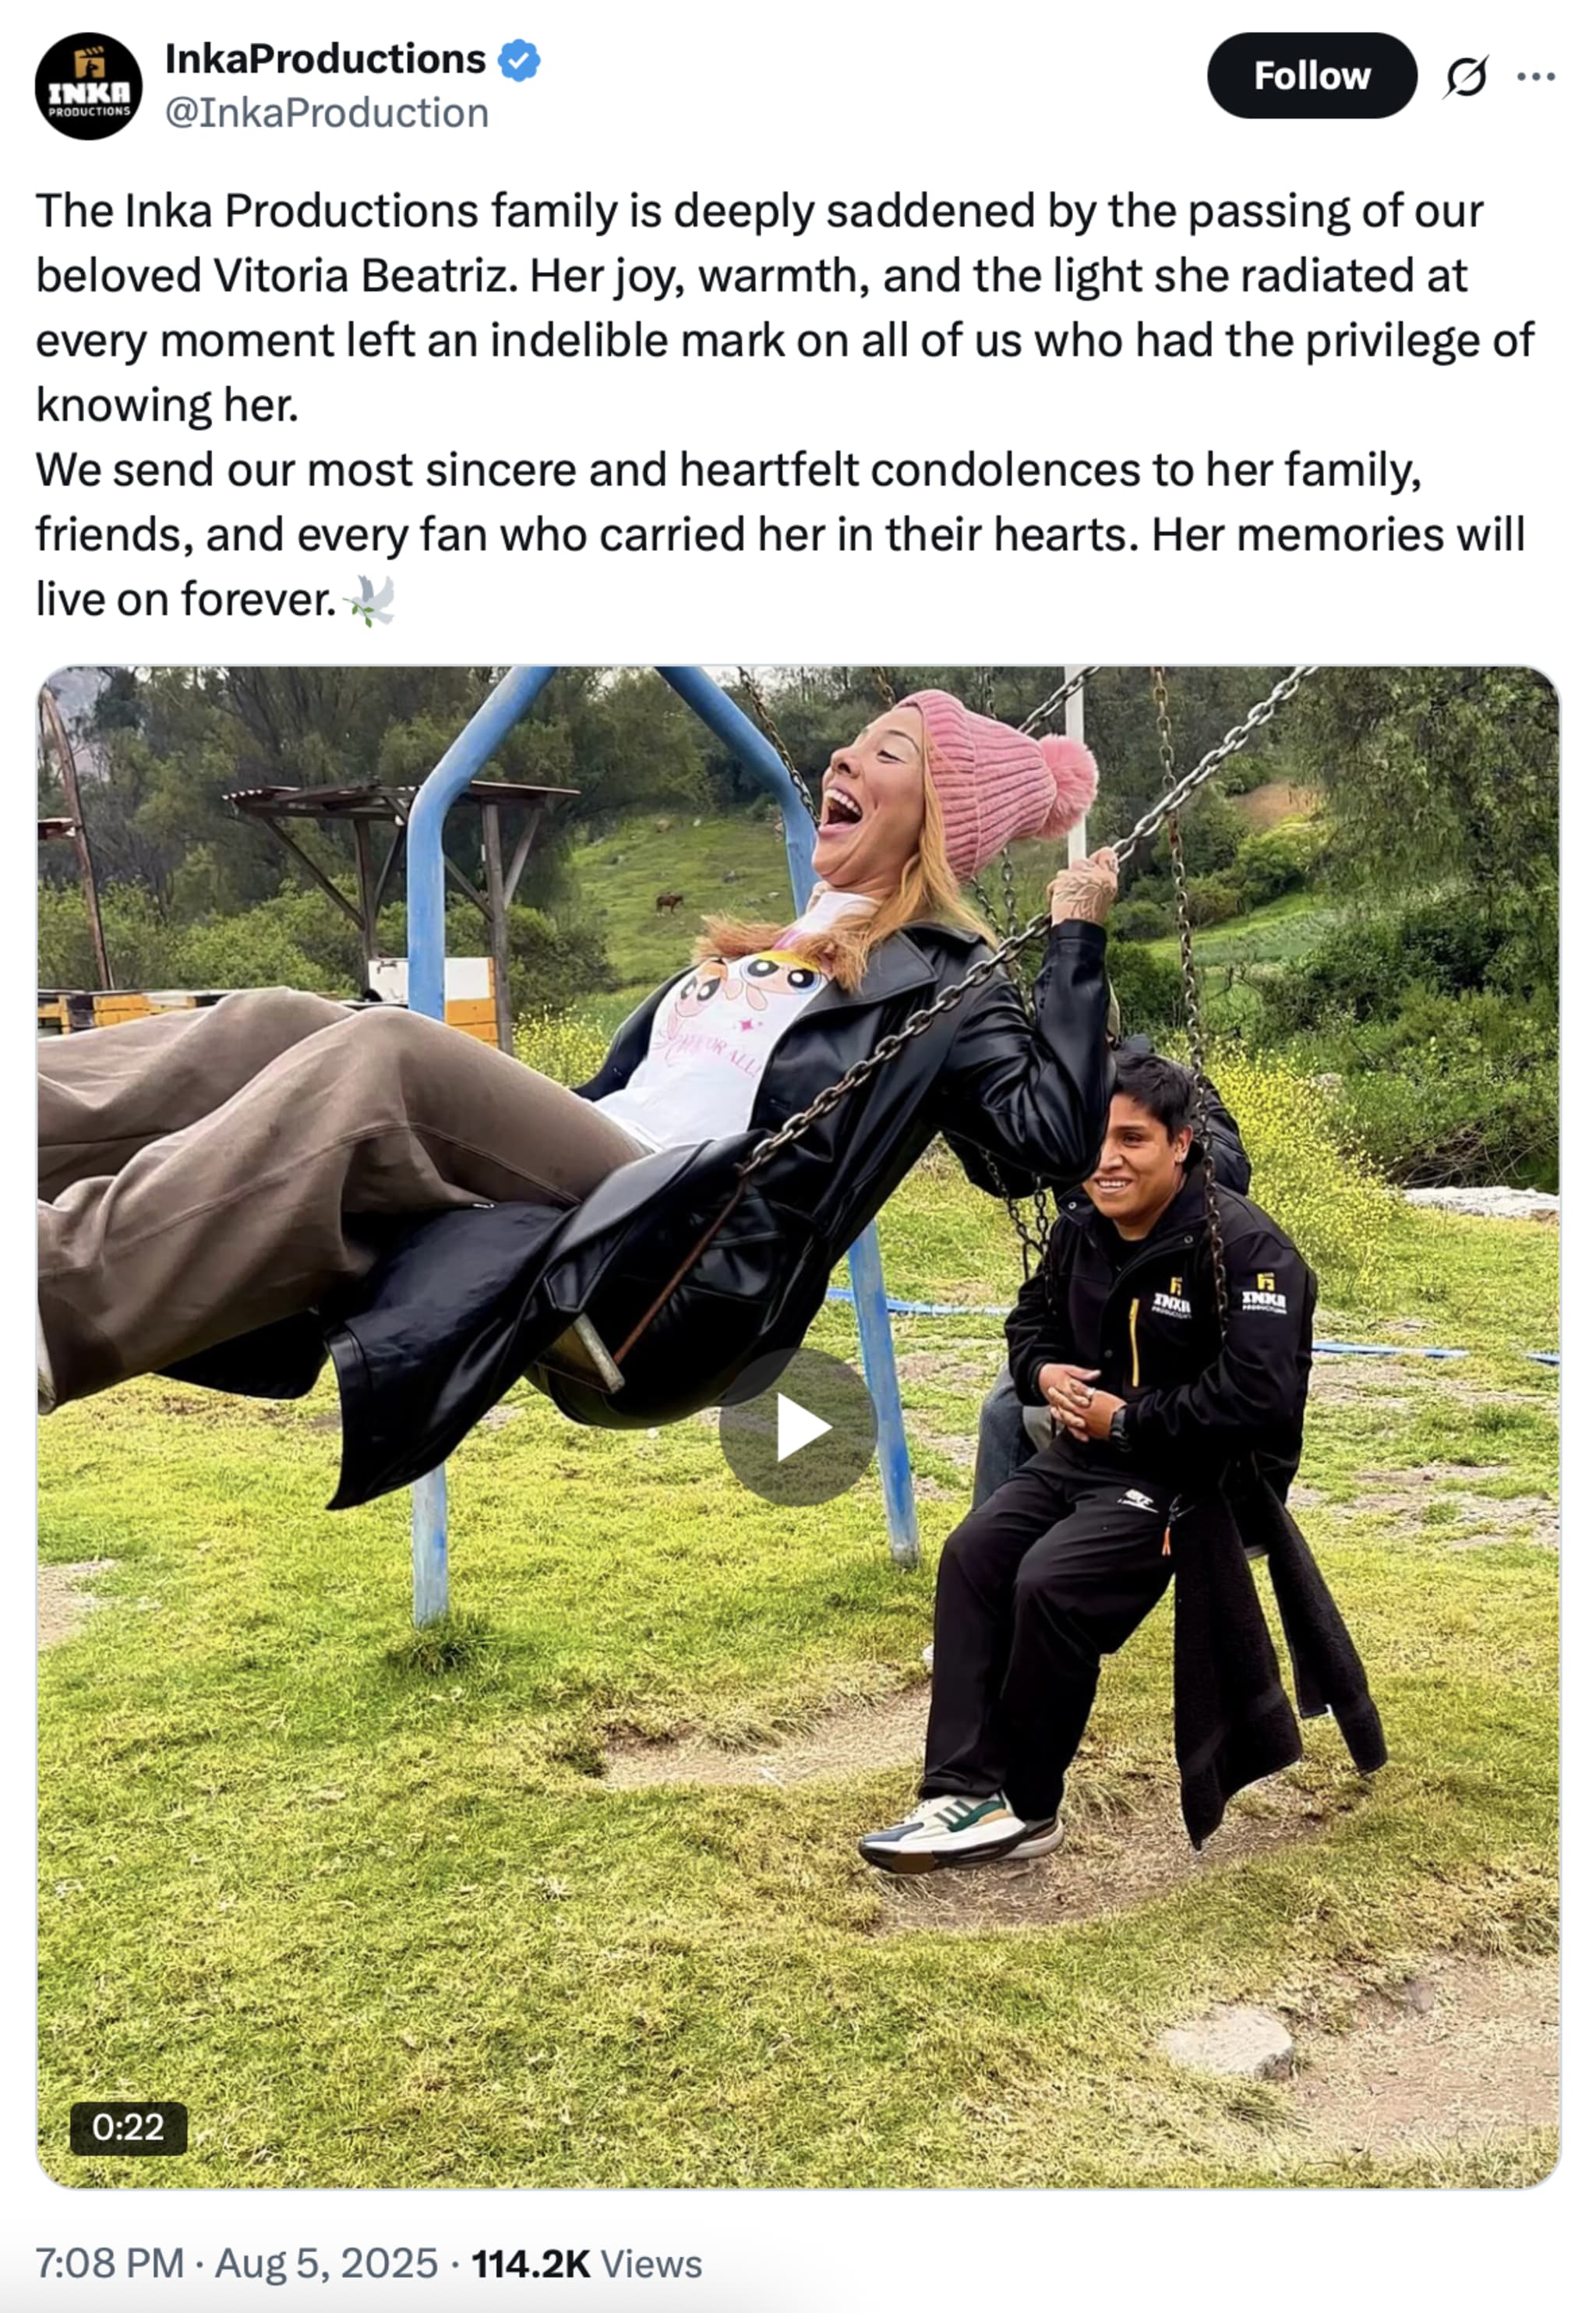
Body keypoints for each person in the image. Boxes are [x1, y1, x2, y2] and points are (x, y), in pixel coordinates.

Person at [37, 690, 1111, 1432]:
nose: (844, 758)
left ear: (939, 817)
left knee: (386, 1055)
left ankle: (48, 1303)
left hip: (668, 1241)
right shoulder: (772, 949)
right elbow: (617, 1090)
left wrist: (1074, 943)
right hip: (593, 1167)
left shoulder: (947, 981)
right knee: (278, 1021)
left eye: (888, 754)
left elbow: (1045, 1142)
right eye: (856, 742)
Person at [859, 1051, 1316, 1875]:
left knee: (1051, 1586)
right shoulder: (1082, 1226)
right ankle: (956, 1792)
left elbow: (1261, 1399)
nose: (1107, 1160)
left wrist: (1129, 1419)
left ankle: (1027, 1806)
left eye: (1131, 1139)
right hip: (1084, 1453)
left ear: (1180, 1143)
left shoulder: (1245, 1247)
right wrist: (1042, 1374)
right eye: (1095, 1140)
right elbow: (1028, 1320)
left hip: (1185, 1476)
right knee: (973, 1555)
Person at [967, 1048, 1252, 1509]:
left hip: (1165, 1302)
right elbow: (1012, 1173)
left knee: (1151, 1425)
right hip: (1090, 1292)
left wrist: (1152, 1159)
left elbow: (1230, 1173)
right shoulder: (1057, 1091)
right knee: (1006, 1412)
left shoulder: (1168, 1086)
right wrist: (966, 1114)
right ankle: (1014, 1529)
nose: (1106, 1158)